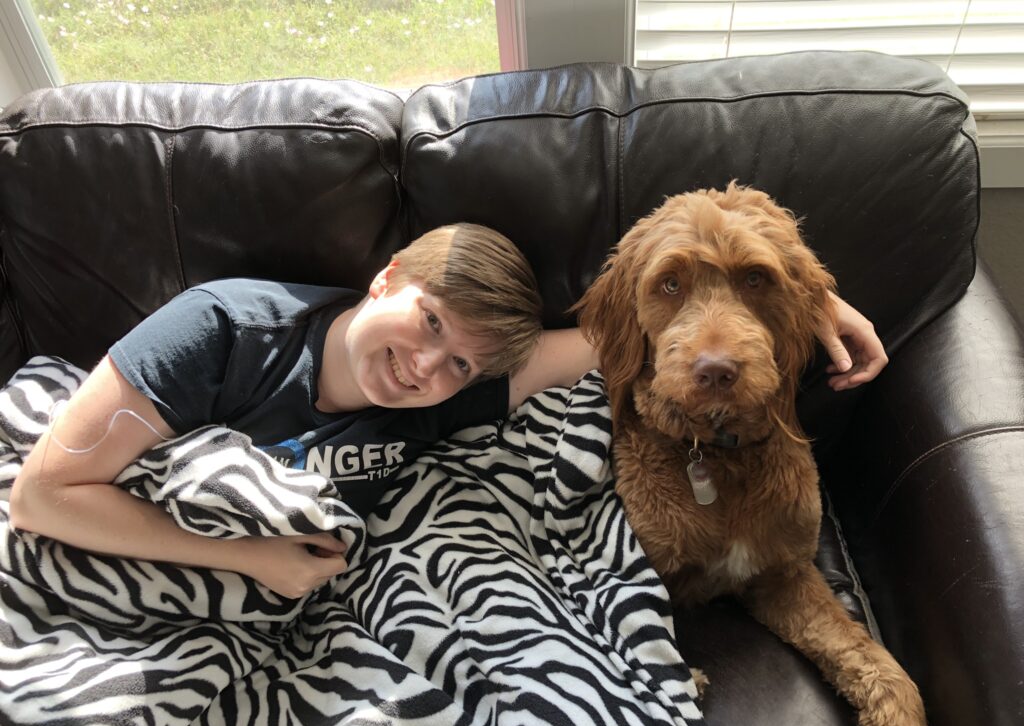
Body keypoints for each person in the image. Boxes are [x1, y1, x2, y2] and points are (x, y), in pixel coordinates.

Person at [9, 223, 886, 599]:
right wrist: (245, 556)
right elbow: (40, 498)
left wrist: (808, 303)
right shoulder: (222, 328)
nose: (423, 367)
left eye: (459, 361)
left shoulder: (450, 394)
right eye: (426, 320)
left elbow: (636, 322)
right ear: (389, 275)